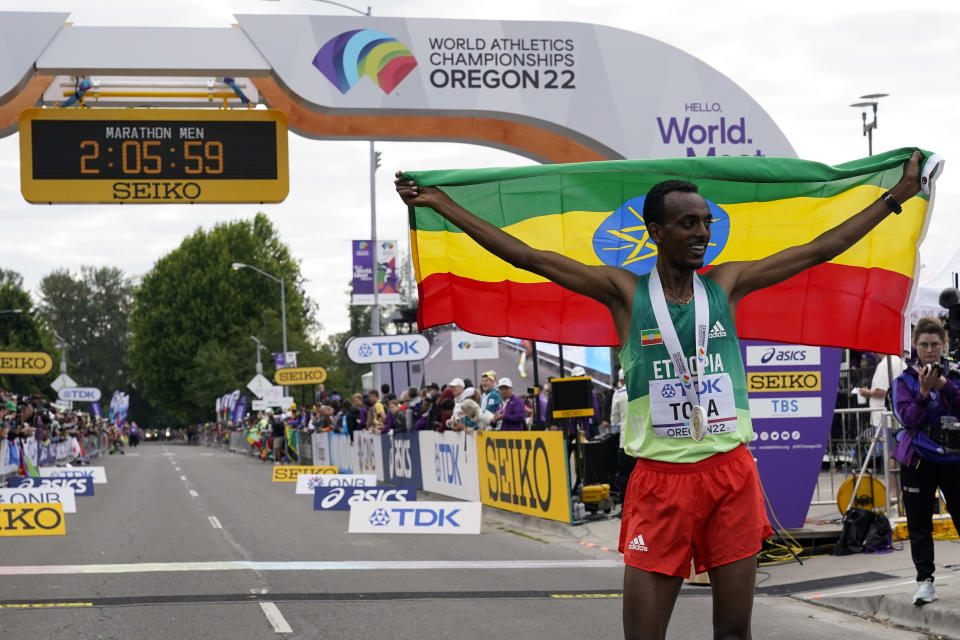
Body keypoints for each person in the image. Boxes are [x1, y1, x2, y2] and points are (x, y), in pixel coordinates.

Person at [397, 151, 921, 640]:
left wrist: (895, 196)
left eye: (707, 222)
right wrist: (443, 205)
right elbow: (529, 257)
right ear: (656, 231)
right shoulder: (624, 293)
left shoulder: (727, 283)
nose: (702, 232)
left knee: (734, 633)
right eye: (688, 223)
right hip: (659, 483)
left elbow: (817, 250)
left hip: (729, 474)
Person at [892, 317, 960, 606]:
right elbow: (908, 419)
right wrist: (921, 394)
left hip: (954, 458)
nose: (930, 350)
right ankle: (925, 582)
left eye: (935, 344)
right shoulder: (904, 381)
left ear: (943, 345)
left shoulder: (955, 375)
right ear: (915, 346)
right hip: (918, 459)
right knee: (919, 524)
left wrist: (945, 386)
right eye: (924, 345)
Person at [860, 351, 906, 429]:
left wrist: (867, 393)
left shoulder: (884, 365)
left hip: (884, 418)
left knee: (884, 440)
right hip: (899, 415)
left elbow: (881, 391)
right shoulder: (901, 363)